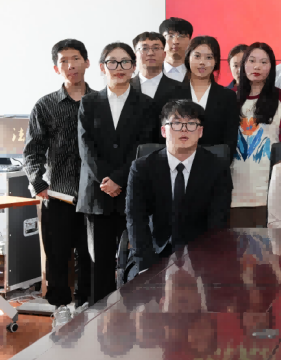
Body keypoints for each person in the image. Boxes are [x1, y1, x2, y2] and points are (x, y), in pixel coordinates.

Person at [77, 42, 155, 304]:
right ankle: (99, 316)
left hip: (131, 191)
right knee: (98, 262)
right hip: (97, 193)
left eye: (125, 62)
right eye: (112, 62)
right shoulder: (89, 102)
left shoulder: (147, 105)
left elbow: (143, 147)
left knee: (133, 260)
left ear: (134, 67)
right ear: (102, 67)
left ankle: (132, 315)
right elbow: (85, 147)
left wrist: (119, 179)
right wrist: (106, 180)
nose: (119, 67)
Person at [23, 39, 94, 316]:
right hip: (58, 195)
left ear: (87, 62)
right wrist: (38, 183)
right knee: (56, 257)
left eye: (75, 59)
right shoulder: (45, 105)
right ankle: (60, 310)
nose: (70, 65)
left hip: (94, 195)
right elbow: (32, 151)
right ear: (56, 68)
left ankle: (87, 307)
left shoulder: (100, 102)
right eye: (63, 61)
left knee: (91, 256)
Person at [125, 100, 232, 273]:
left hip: (200, 257)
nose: (184, 129)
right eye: (176, 123)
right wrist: (147, 267)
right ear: (163, 131)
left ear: (200, 131)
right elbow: (135, 220)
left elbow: (217, 224)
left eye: (191, 123)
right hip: (153, 254)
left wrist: (205, 267)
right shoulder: (142, 168)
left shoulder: (217, 168)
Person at [232, 43, 281, 228]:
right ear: (243, 64)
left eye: (264, 62)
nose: (257, 67)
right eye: (252, 61)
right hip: (233, 190)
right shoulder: (229, 97)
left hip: (270, 189)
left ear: (271, 67)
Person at [183, 36, 239, 156]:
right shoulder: (171, 93)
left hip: (215, 162)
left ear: (216, 61)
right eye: (197, 56)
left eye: (209, 57)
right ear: (188, 58)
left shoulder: (228, 96)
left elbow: (230, 139)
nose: (202, 62)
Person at [131, 32, 189, 143]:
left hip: (167, 149)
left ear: (164, 54)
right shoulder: (125, 87)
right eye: (144, 48)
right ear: (135, 55)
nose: (150, 53)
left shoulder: (181, 89)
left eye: (156, 48)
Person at [159, 17, 194, 82]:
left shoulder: (198, 74)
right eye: (170, 36)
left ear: (190, 41)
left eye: (181, 36)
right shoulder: (150, 72)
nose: (175, 41)